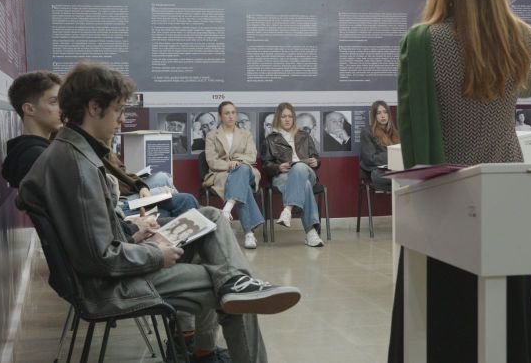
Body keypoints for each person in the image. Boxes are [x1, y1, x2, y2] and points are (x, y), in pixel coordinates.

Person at [18, 62, 301, 363]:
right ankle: (233, 290)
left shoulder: (72, 152)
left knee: (208, 216)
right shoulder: (77, 166)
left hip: (115, 266)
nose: (122, 119)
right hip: (111, 285)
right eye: (118, 110)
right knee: (230, 291)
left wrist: (134, 232)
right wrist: (155, 253)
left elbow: (94, 236)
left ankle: (225, 302)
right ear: (93, 107)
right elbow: (100, 258)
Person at [391, 0, 531, 362]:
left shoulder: (423, 41)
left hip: (447, 196)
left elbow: (414, 130)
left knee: (441, 309)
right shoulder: (523, 38)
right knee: (506, 305)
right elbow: (525, 91)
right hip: (508, 190)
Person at [203, 102, 265, 249]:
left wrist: (237, 161)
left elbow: (251, 156)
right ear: (220, 116)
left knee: (242, 170)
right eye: (227, 113)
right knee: (242, 187)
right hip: (223, 174)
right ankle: (249, 234)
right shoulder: (212, 136)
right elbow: (212, 161)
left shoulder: (246, 134)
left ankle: (227, 209)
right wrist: (228, 165)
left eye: (233, 112)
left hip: (247, 172)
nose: (231, 116)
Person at [262, 102, 324, 247]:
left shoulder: (304, 136)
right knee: (305, 185)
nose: (287, 119)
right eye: (283, 116)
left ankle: (288, 209)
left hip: (306, 172)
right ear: (278, 118)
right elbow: (266, 165)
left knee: (300, 167)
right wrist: (278, 167)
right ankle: (311, 233)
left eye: (290, 116)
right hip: (283, 176)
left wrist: (316, 161)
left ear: (294, 118)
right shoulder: (270, 139)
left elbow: (315, 157)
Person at [1, 70, 63, 188]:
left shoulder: (27, 153)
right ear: (29, 109)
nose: (62, 109)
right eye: (54, 102)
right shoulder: (37, 157)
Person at [359, 100, 399, 190]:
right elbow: (370, 158)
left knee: (410, 175)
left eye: (385, 112)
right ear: (374, 116)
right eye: (379, 113)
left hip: (396, 170)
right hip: (379, 172)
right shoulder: (367, 132)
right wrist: (393, 155)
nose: (383, 116)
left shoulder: (396, 134)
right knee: (403, 179)